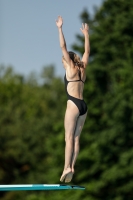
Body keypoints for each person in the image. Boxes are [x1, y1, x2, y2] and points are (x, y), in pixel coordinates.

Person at [56, 16, 90, 183]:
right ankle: (73, 166)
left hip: (73, 105)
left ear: (67, 60)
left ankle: (66, 167)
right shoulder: (83, 69)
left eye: (63, 61)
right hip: (84, 106)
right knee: (76, 138)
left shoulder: (70, 66)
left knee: (68, 137)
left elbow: (63, 46)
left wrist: (60, 28)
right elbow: (87, 52)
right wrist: (86, 34)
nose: (63, 64)